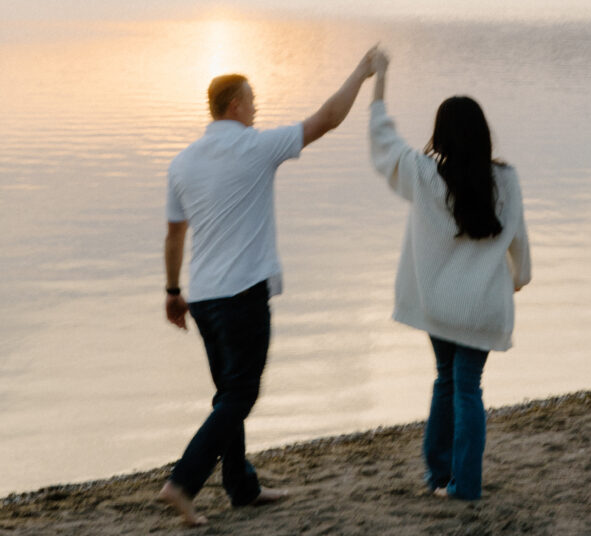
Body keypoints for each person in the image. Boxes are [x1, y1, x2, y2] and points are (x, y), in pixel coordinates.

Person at [159, 48, 377, 526]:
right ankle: (182, 483)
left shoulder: (182, 163)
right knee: (240, 395)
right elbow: (328, 119)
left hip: (204, 299)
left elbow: (175, 234)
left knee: (227, 396)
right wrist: (361, 71)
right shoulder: (256, 146)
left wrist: (173, 292)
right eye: (252, 100)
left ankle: (241, 488)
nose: (256, 108)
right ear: (235, 105)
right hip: (242, 296)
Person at [368, 49, 531, 502]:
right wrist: (521, 276)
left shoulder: (423, 174)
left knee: (446, 380)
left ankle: (442, 475)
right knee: (466, 388)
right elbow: (519, 237)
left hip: (439, 303)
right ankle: (458, 481)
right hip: (484, 306)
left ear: (439, 134)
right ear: (483, 135)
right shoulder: (507, 179)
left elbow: (383, 142)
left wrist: (379, 78)